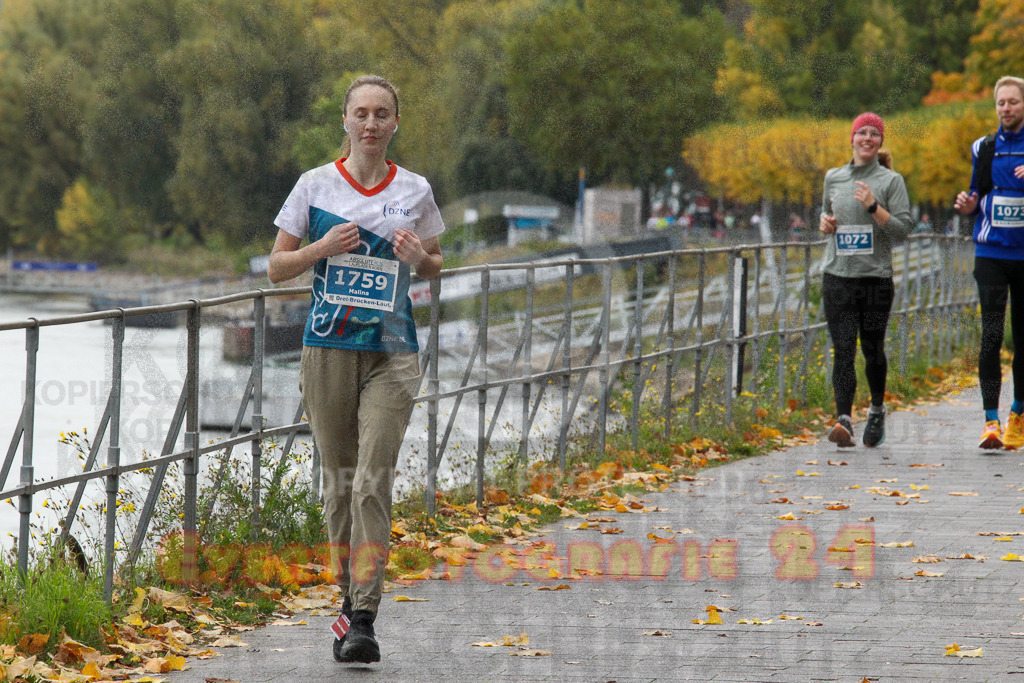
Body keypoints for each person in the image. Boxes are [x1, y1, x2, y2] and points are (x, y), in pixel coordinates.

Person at [267, 75, 444, 663]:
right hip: (328, 350)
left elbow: (437, 263)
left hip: (393, 353)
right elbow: (276, 268)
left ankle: (364, 614)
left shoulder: (415, 189)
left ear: (396, 123)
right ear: (345, 121)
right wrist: (321, 249)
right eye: (361, 114)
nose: (371, 124)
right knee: (340, 483)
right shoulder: (314, 185)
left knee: (373, 478)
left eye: (382, 114)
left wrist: (420, 258)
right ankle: (348, 601)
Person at [819, 112, 913, 447]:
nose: (868, 138)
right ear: (852, 138)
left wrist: (874, 207)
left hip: (874, 278)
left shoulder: (891, 181)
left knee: (872, 349)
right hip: (838, 275)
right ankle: (843, 418)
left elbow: (902, 230)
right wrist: (825, 224)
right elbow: (825, 214)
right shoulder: (834, 177)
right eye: (863, 132)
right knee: (843, 349)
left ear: (881, 142)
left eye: (875, 134)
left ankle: (876, 409)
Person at [954, 75, 1024, 450]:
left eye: (1013, 102)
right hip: (992, 254)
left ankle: (1018, 413)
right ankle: (990, 422)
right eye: (1001, 103)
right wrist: (968, 205)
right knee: (991, 336)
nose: (1007, 109)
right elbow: (976, 192)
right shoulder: (984, 147)